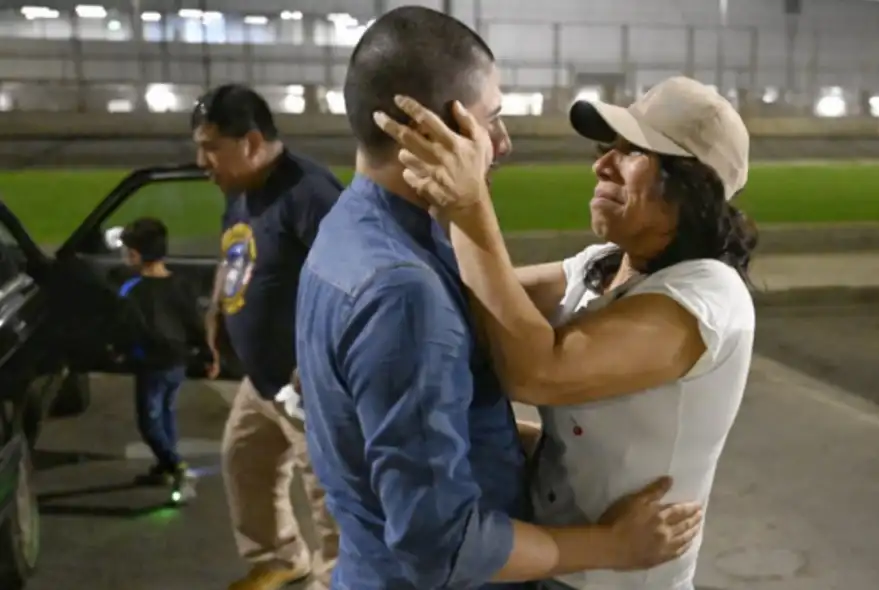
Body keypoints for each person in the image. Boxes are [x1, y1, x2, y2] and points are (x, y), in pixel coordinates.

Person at [295, 7, 703, 590]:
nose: (504, 143)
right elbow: (443, 546)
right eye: (493, 120)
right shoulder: (403, 291)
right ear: (433, 130)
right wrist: (610, 546)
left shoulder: (352, 226)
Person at [375, 75, 756, 590]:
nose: (601, 164)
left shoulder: (707, 298)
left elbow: (537, 372)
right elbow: (481, 304)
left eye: (632, 152)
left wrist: (469, 209)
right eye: (609, 148)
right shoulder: (604, 264)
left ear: (692, 187)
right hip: (555, 564)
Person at [193, 84, 343, 590]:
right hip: (261, 381)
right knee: (244, 462)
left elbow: (352, 281)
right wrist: (218, 310)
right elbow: (236, 253)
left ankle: (338, 579)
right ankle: (279, 556)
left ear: (252, 141)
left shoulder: (309, 193)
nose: (201, 161)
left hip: (308, 384)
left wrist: (317, 361)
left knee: (331, 493)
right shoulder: (240, 193)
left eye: (211, 146)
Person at [115, 217, 204, 488]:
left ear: (135, 254)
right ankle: (165, 464)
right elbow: (194, 322)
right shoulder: (182, 284)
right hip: (177, 362)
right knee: (166, 412)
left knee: (149, 420)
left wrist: (119, 352)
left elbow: (128, 328)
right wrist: (206, 353)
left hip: (151, 365)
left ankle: (173, 463)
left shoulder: (132, 290)